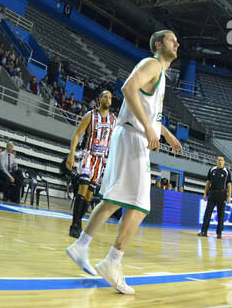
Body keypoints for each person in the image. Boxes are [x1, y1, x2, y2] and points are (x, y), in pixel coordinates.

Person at [63, 30, 185, 294]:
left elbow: (149, 112)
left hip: (132, 134)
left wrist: (166, 133)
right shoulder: (151, 63)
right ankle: (112, 261)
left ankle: (81, 246)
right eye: (171, 39)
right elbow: (127, 88)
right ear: (158, 44)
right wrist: (149, 129)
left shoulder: (160, 75)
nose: (177, 43)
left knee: (116, 198)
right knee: (140, 206)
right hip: (133, 135)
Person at [65, 90, 116, 238]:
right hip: (88, 155)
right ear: (100, 99)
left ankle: (79, 221)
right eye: (105, 96)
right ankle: (74, 224)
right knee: (83, 189)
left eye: (110, 98)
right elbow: (76, 134)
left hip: (101, 160)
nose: (108, 99)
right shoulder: (90, 115)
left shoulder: (113, 119)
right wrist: (71, 155)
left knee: (89, 196)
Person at [200, 155, 232, 238]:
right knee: (207, 213)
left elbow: (229, 185)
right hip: (212, 194)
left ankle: (219, 233)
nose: (220, 161)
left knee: (220, 215)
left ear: (224, 162)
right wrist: (205, 193)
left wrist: (229, 196)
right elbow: (208, 182)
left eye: (221, 160)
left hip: (222, 195)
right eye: (218, 160)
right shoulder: (212, 170)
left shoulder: (226, 171)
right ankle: (204, 231)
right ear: (216, 161)